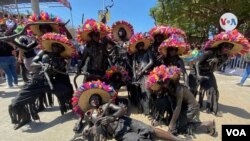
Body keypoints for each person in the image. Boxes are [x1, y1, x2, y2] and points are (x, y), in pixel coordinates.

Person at [72, 80, 190, 141]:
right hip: (118, 132)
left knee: (149, 130)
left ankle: (177, 139)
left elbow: (122, 110)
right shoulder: (88, 115)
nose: (95, 100)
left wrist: (112, 117)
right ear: (89, 102)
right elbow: (91, 128)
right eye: (93, 99)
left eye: (97, 98)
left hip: (126, 121)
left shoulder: (106, 106)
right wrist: (88, 132)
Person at [8, 33, 76, 130]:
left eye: (58, 46)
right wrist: (41, 65)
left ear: (61, 49)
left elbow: (59, 71)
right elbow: (32, 64)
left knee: (68, 91)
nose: (56, 47)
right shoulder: (43, 53)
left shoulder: (61, 60)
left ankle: (70, 106)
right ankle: (25, 118)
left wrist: (53, 67)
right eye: (54, 45)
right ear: (51, 45)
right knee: (15, 103)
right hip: (36, 81)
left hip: (49, 83)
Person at [188, 30, 250, 117]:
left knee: (214, 89)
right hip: (196, 70)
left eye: (229, 47)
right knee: (192, 88)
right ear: (221, 45)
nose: (227, 48)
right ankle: (189, 105)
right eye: (226, 46)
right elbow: (197, 62)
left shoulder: (225, 57)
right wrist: (198, 75)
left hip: (208, 72)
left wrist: (216, 62)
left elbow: (215, 69)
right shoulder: (210, 51)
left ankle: (213, 108)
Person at [162, 66, 216, 136]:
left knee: (178, 128)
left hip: (192, 108)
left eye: (166, 80)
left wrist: (172, 123)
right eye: (163, 81)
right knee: (175, 123)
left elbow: (178, 107)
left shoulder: (178, 89)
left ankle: (208, 124)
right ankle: (184, 120)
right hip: (185, 107)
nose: (164, 83)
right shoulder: (169, 88)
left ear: (171, 80)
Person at [128, 33, 154, 115]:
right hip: (138, 74)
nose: (140, 47)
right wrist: (135, 75)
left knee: (146, 91)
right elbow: (133, 65)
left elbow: (151, 62)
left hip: (146, 73)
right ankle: (140, 108)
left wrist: (143, 70)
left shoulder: (148, 52)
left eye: (142, 45)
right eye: (139, 46)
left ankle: (147, 109)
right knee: (138, 92)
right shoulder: (135, 54)